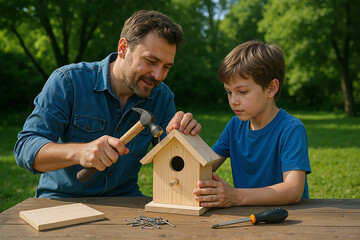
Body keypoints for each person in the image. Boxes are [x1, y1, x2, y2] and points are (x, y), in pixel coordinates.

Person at [14, 10, 201, 198]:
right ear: (123, 48)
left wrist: (185, 138)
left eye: (166, 67)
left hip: (126, 200)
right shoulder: (68, 82)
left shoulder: (162, 97)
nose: (158, 75)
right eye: (151, 61)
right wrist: (79, 152)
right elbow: (25, 148)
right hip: (63, 200)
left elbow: (174, 161)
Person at [193, 40, 311, 207]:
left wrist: (235, 196)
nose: (233, 101)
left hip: (287, 218)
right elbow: (204, 167)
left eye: (242, 92)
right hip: (246, 217)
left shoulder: (291, 129)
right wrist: (185, 136)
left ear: (271, 88)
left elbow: (293, 190)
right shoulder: (234, 126)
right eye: (228, 92)